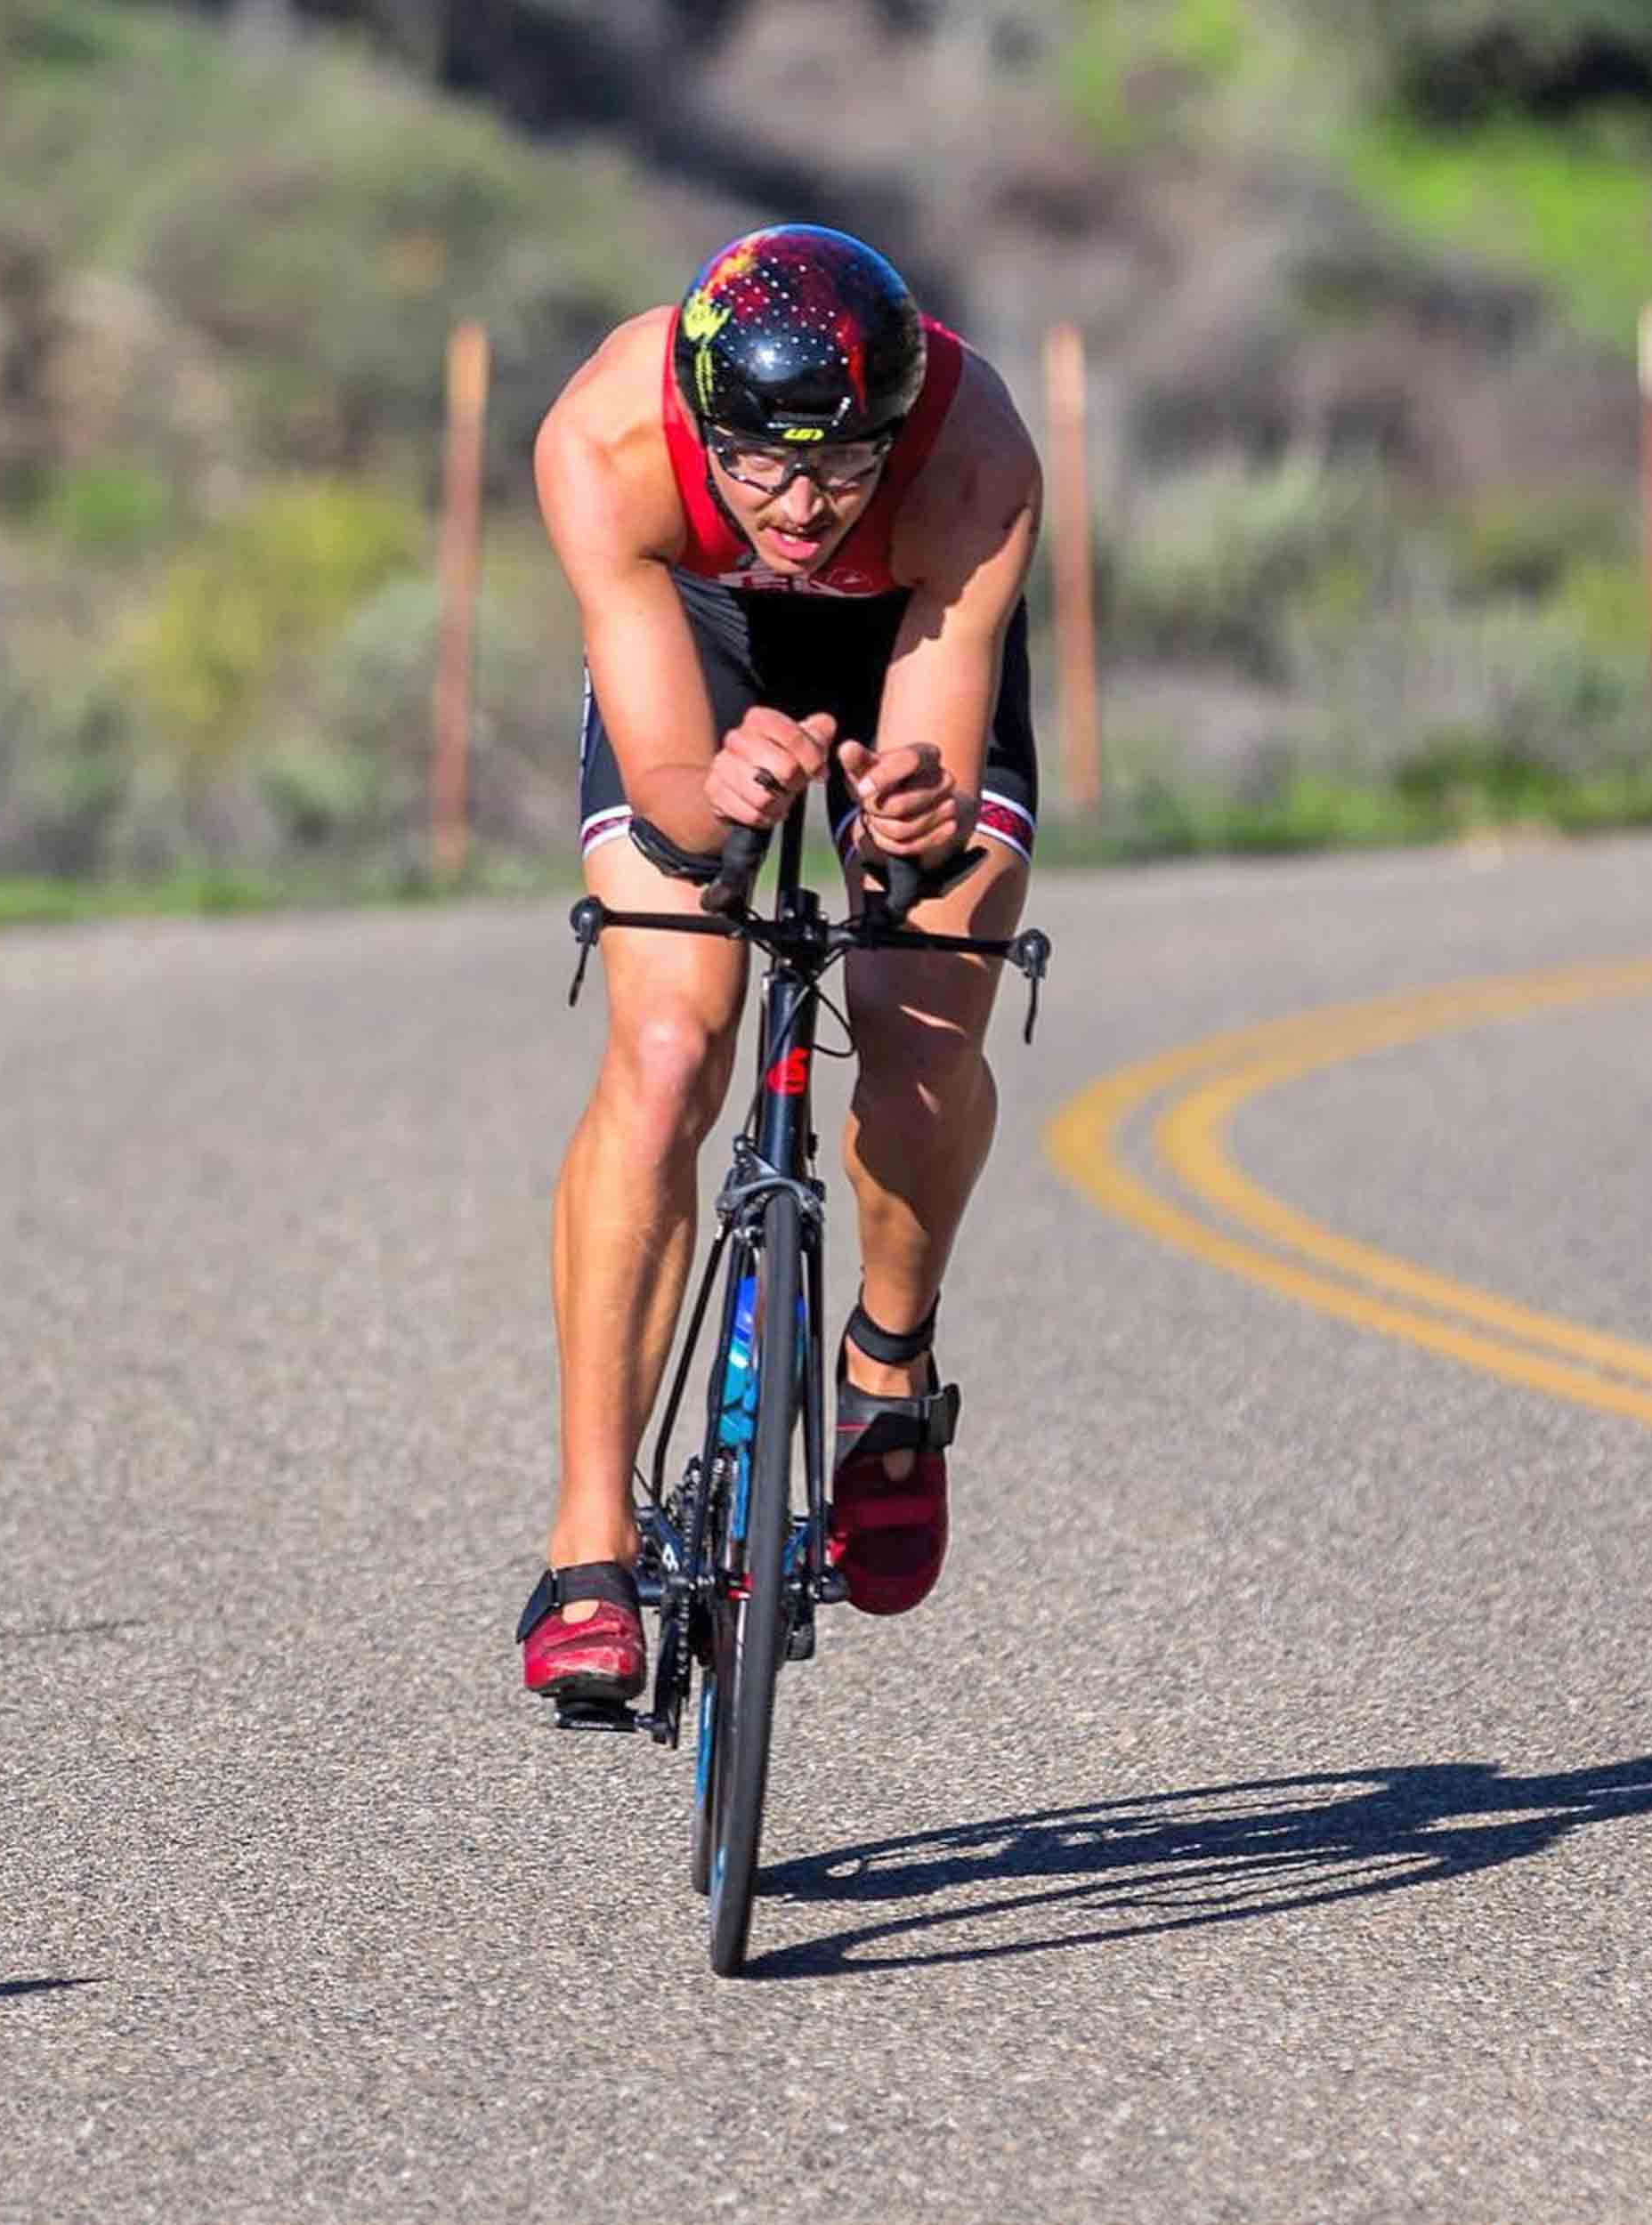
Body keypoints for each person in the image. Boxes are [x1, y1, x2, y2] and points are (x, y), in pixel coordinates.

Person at [518, 222, 1042, 1703]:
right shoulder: (607, 439)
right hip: (703, 639)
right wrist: (720, 795)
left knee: (913, 1014)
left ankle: (887, 1366)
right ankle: (587, 1543)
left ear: (895, 431)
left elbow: (931, 755)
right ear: (699, 423)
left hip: (911, 634)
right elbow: (674, 787)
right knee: (673, 1042)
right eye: (758, 464)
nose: (801, 508)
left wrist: (912, 818)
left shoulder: (971, 452)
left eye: (838, 468)